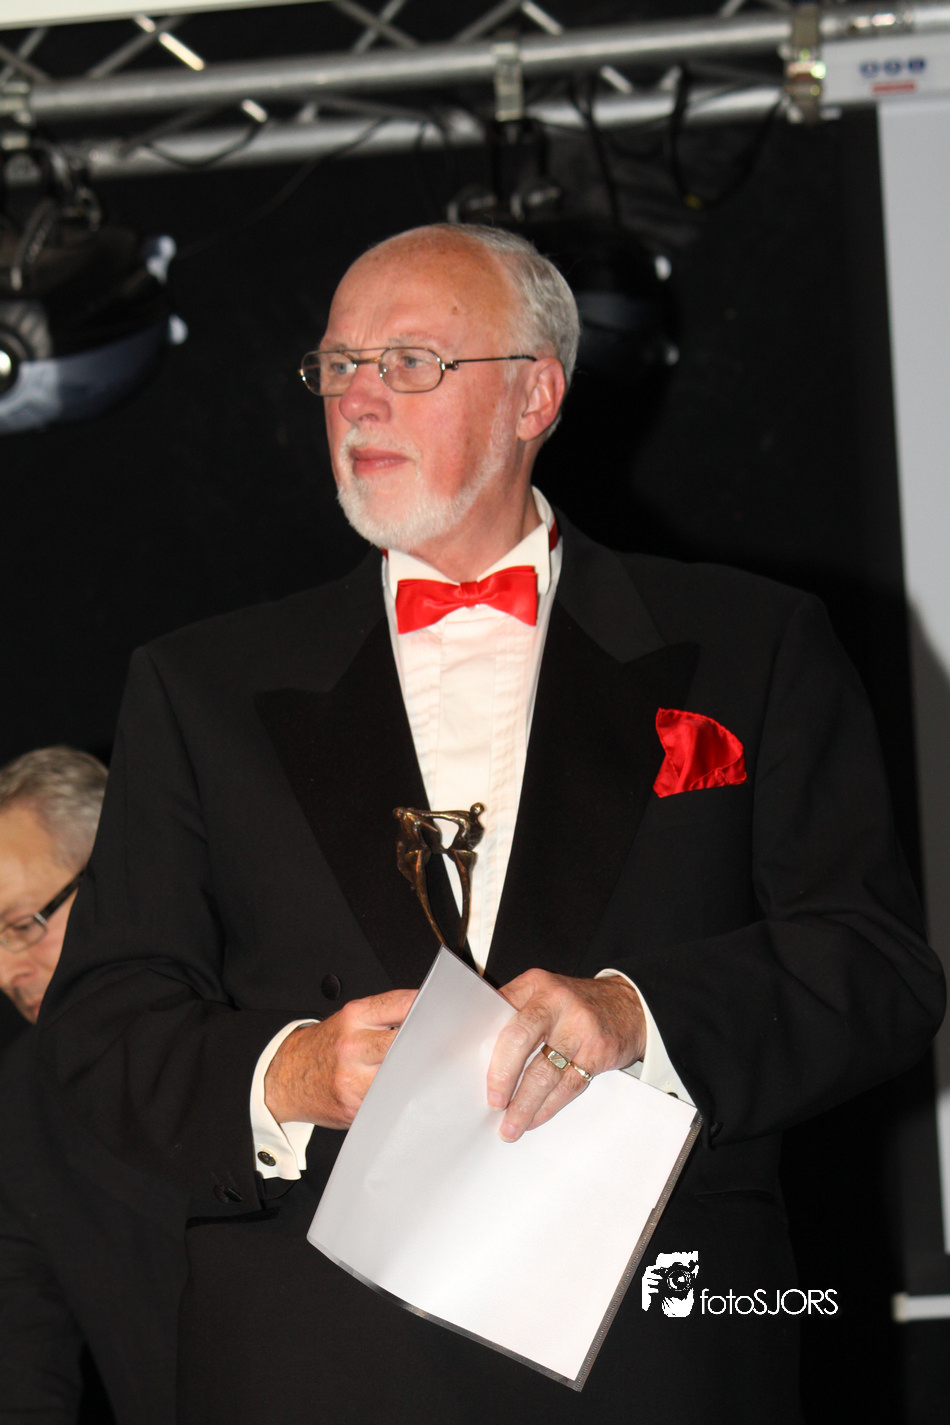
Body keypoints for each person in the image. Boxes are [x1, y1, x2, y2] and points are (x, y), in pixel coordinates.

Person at [41, 224, 945, 1424]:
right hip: (318, 1365)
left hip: (648, 1353)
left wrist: (633, 1016)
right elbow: (101, 1024)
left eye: (408, 362)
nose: (358, 398)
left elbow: (873, 966)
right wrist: (292, 1072)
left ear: (535, 395)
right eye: (336, 366)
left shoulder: (754, 643)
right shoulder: (197, 686)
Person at [0, 746, 186, 1425]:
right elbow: (20, 1366)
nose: (5, 972)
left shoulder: (279, 1019)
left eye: (21, 926)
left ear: (114, 875)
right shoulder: (18, 1108)